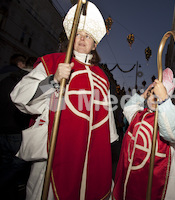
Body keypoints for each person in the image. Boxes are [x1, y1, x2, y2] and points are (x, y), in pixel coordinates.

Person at [10, 2, 118, 200]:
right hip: (54, 146)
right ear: (70, 38)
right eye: (78, 34)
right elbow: (20, 96)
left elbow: (105, 118)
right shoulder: (53, 61)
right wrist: (52, 80)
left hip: (90, 150)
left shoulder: (102, 77)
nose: (82, 39)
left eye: (88, 36)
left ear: (95, 44)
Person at [113, 68, 175, 200]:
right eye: (152, 94)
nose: (154, 98)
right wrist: (143, 95)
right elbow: (129, 108)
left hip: (161, 186)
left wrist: (164, 100)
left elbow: (173, 134)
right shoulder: (140, 116)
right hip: (133, 179)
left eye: (157, 95)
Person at [0, 55, 33, 199]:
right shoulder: (27, 80)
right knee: (19, 163)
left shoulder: (5, 76)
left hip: (2, 128)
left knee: (5, 162)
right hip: (16, 129)